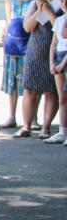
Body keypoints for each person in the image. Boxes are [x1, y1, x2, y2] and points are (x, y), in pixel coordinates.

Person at [17, 0, 62, 139]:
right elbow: (27, 27)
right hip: (35, 50)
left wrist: (49, 10)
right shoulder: (34, 4)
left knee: (51, 91)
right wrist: (39, 10)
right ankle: (26, 126)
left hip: (54, 51)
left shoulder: (62, 3)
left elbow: (59, 27)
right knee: (30, 89)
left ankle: (46, 127)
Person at [0, 0, 36, 128]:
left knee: (32, 78)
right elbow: (9, 18)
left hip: (31, 38)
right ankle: (12, 116)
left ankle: (32, 117)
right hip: (13, 39)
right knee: (12, 79)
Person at [49, 7, 67, 144]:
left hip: (64, 58)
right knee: (62, 98)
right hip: (60, 56)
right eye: (63, 1)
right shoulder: (59, 20)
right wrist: (52, 63)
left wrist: (62, 65)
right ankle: (62, 131)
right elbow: (54, 43)